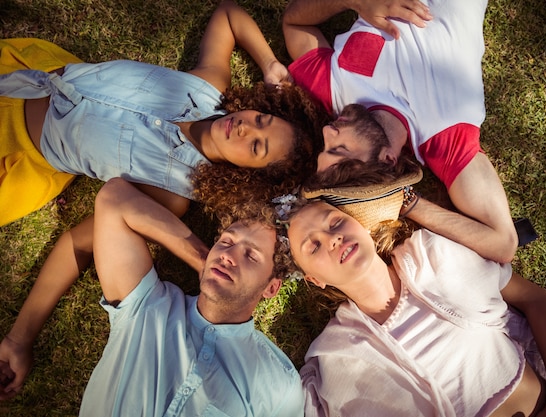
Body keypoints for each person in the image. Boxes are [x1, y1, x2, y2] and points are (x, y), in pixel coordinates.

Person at [0, 0, 327, 399]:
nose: (244, 128)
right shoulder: (206, 87)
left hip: (17, 150)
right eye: (261, 119)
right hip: (24, 68)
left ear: (250, 175)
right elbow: (228, 15)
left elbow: (79, 245)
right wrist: (270, 63)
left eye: (257, 147)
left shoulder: (171, 195)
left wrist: (20, 338)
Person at [282, 195, 546, 417]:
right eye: (312, 247)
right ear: (314, 279)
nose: (332, 238)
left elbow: (536, 300)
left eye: (335, 222)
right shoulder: (338, 354)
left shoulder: (431, 255)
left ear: (360, 225)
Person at [2, 177, 305, 417]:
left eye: (250, 255)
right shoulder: (148, 304)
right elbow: (114, 198)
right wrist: (205, 262)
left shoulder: (278, 384)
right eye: (225, 242)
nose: (227, 256)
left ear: (271, 288)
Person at [282, 0, 520, 264]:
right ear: (387, 159)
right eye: (339, 149)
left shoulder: (333, 93)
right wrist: (407, 201)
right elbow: (503, 244)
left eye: (324, 147)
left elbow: (294, 21)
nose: (327, 130)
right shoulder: (444, 138)